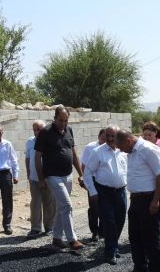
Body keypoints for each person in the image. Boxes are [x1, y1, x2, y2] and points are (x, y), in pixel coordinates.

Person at [115, 129, 160, 272]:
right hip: (136, 199)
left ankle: (154, 271)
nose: (121, 150)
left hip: (149, 199)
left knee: (150, 237)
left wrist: (155, 201)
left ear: (128, 141)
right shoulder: (131, 151)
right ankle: (140, 267)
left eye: (121, 147)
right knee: (135, 236)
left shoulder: (148, 149)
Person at [34, 106, 85, 250]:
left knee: (62, 207)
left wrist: (81, 174)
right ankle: (72, 239)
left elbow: (73, 153)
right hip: (52, 176)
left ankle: (57, 238)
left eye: (66, 121)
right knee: (67, 205)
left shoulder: (69, 130)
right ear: (54, 118)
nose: (63, 123)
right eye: (60, 120)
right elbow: (37, 157)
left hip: (67, 175)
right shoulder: (45, 132)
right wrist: (41, 179)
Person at [83, 125, 127, 265]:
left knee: (120, 220)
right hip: (104, 193)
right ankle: (110, 252)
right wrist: (92, 191)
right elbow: (87, 173)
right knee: (109, 222)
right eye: (107, 135)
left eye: (113, 136)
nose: (110, 138)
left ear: (118, 136)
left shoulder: (123, 151)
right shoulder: (97, 152)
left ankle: (114, 247)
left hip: (121, 192)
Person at [25, 120, 56, 237]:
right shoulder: (30, 142)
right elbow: (28, 158)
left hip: (48, 177)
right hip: (34, 178)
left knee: (49, 202)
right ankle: (35, 228)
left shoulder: (51, 140)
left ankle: (49, 227)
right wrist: (28, 174)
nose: (36, 132)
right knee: (35, 203)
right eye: (34, 129)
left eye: (39, 129)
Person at [81, 128, 107, 242]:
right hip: (92, 179)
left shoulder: (110, 147)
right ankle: (94, 232)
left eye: (106, 138)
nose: (104, 141)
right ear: (98, 137)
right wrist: (85, 180)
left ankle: (102, 231)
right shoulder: (90, 147)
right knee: (93, 207)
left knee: (104, 205)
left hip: (104, 181)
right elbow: (84, 165)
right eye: (102, 138)